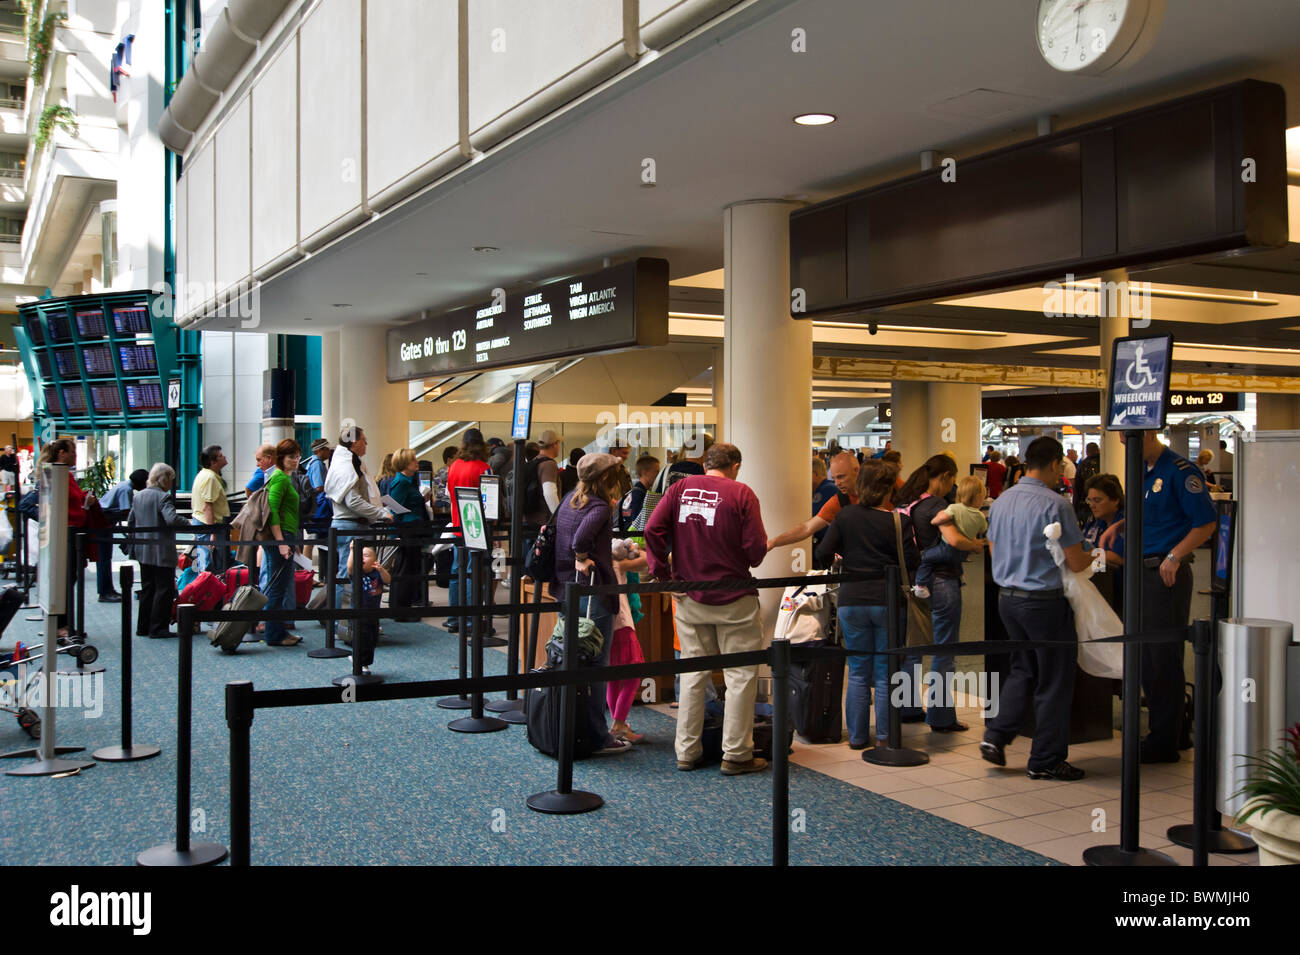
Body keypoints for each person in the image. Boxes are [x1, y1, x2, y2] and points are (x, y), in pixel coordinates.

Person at [645, 442, 769, 775]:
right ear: (736, 465)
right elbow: (755, 551)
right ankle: (736, 754)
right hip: (735, 598)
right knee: (740, 677)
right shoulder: (743, 494)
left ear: (705, 463)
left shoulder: (679, 488)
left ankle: (686, 751)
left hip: (688, 595)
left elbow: (651, 529)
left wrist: (662, 573)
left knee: (693, 673)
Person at [1099, 430, 1216, 763]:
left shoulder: (1181, 471)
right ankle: (1170, 732)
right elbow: (1152, 514)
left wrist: (1175, 556)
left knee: (1162, 658)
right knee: (1147, 656)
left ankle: (1165, 742)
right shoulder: (1144, 470)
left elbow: (1206, 523)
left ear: (1148, 433)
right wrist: (1119, 525)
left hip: (1165, 573)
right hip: (1142, 571)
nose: (1123, 444)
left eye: (1128, 437)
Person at [981, 436, 1093, 781]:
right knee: (1054, 678)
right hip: (1043, 602)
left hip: (1007, 599)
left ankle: (997, 736)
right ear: (1057, 464)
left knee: (1022, 668)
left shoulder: (1000, 502)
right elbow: (1076, 562)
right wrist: (1100, 555)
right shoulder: (1056, 504)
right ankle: (1045, 758)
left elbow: (992, 547)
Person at [816, 459, 918, 748]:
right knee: (886, 671)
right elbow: (912, 562)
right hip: (888, 601)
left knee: (858, 671)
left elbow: (823, 551)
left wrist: (843, 557)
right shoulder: (899, 521)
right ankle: (886, 737)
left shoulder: (846, 516)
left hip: (852, 599)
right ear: (887, 490)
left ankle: (858, 737)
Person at [894, 455, 983, 730]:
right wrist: (975, 544)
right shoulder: (938, 505)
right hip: (943, 581)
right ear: (944, 476)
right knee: (944, 650)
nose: (952, 486)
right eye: (952, 480)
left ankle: (907, 708)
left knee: (914, 647)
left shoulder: (905, 502)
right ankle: (941, 717)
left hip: (912, 581)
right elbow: (954, 540)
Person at [553, 452, 633, 756]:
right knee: (598, 662)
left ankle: (573, 727)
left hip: (568, 589)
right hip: (594, 593)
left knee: (574, 659)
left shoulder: (570, 499)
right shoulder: (599, 507)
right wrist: (584, 558)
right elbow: (580, 542)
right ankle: (599, 736)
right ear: (605, 479)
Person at [325, 424, 392, 611]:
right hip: (350, 526)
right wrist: (380, 513)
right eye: (364, 440)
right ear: (354, 442)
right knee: (347, 575)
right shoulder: (347, 465)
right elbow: (353, 501)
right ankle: (343, 622)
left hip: (350, 525)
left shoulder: (348, 462)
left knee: (349, 575)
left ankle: (349, 621)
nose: (367, 444)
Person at [39, 439, 96, 639]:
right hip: (64, 535)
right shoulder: (56, 475)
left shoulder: (65, 475)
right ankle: (61, 625)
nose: (75, 456)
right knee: (64, 579)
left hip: (71, 533)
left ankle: (64, 623)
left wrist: (84, 501)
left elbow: (73, 499)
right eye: (72, 452)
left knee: (69, 579)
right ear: (62, 453)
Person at [128, 463, 191, 639]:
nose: (171, 483)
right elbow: (171, 519)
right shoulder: (163, 497)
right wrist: (188, 523)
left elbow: (131, 520)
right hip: (161, 549)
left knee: (148, 588)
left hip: (143, 549)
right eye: (171, 479)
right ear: (164, 479)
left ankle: (143, 626)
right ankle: (158, 628)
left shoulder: (139, 496)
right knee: (163, 589)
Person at [443, 429, 490, 632]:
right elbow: (490, 501)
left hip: (457, 525)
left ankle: (454, 617)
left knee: (457, 569)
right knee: (473, 572)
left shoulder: (453, 466)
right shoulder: (484, 468)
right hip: (476, 527)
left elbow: (447, 493)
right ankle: (471, 620)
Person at [258, 439, 304, 647]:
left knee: (278, 585)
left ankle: (276, 631)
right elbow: (272, 511)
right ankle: (274, 634)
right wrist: (281, 541)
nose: (296, 460)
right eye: (291, 457)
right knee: (278, 586)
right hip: (281, 536)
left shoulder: (280, 476)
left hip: (284, 535)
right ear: (281, 458)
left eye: (297, 456)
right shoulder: (280, 478)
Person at [766, 451, 859, 552]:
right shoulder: (839, 500)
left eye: (841, 477)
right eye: (834, 478)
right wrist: (773, 542)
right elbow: (806, 528)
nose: (837, 483)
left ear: (856, 471)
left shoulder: (876, 494)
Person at [914, 475, 988, 598]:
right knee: (954, 563)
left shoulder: (954, 508)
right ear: (979, 498)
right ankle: (959, 578)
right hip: (963, 553)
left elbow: (942, 518)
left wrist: (934, 521)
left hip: (946, 549)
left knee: (925, 557)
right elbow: (983, 529)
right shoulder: (980, 516)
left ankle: (920, 586)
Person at [387, 448, 430, 616]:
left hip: (413, 528)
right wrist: (395, 533)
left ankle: (404, 606)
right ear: (405, 463)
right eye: (413, 460)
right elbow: (395, 508)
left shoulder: (408, 481)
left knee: (409, 567)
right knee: (405, 568)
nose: (416, 462)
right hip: (408, 529)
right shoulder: (402, 482)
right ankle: (401, 608)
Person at [96, 468, 148, 603]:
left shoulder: (124, 485)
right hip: (102, 522)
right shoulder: (126, 489)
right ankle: (104, 591)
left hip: (105, 521)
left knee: (105, 556)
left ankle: (107, 589)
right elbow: (126, 511)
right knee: (104, 557)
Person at [348, 546, 389, 676]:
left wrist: (381, 569)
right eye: (360, 555)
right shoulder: (358, 573)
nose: (362, 558)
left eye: (366, 555)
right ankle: (361, 663)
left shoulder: (377, 573)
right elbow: (350, 567)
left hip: (373, 613)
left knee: (373, 639)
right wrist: (352, 550)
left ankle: (363, 661)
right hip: (358, 613)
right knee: (362, 638)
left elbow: (388, 580)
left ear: (374, 560)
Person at [191, 444, 230, 575]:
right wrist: (212, 532)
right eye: (220, 456)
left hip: (204, 525)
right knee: (211, 564)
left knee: (207, 562)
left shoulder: (206, 475)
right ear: (213, 462)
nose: (224, 457)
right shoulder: (210, 478)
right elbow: (207, 506)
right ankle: (209, 592)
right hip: (210, 526)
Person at [1082, 474, 1125, 568]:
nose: (1092, 505)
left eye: (1097, 500)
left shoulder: (1124, 523)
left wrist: (1087, 555)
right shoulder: (1094, 521)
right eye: (1089, 500)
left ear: (1115, 500)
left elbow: (1117, 557)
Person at [524, 430, 563, 529]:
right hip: (543, 521)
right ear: (554, 444)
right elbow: (549, 493)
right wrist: (559, 517)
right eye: (558, 444)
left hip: (530, 519)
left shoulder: (535, 461)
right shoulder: (549, 464)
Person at [303, 438, 333, 558]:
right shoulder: (317, 464)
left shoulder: (312, 463)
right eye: (327, 450)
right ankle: (306, 569)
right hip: (318, 507)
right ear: (320, 450)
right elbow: (319, 486)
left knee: (314, 539)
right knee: (311, 540)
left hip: (315, 506)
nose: (329, 453)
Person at [620, 454, 661, 532]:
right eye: (656, 471)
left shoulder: (632, 492)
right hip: (635, 538)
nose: (658, 475)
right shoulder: (640, 495)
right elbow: (636, 522)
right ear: (644, 472)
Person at [1072, 442, 1101, 523]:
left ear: (1087, 452)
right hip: (1102, 505)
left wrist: (1075, 508)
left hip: (1085, 505)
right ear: (1098, 450)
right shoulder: (1104, 461)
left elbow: (1077, 488)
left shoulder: (1083, 464)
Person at [431, 445, 457, 514]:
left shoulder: (439, 471)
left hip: (438, 503)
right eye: (457, 459)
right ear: (449, 460)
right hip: (446, 504)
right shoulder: (447, 472)